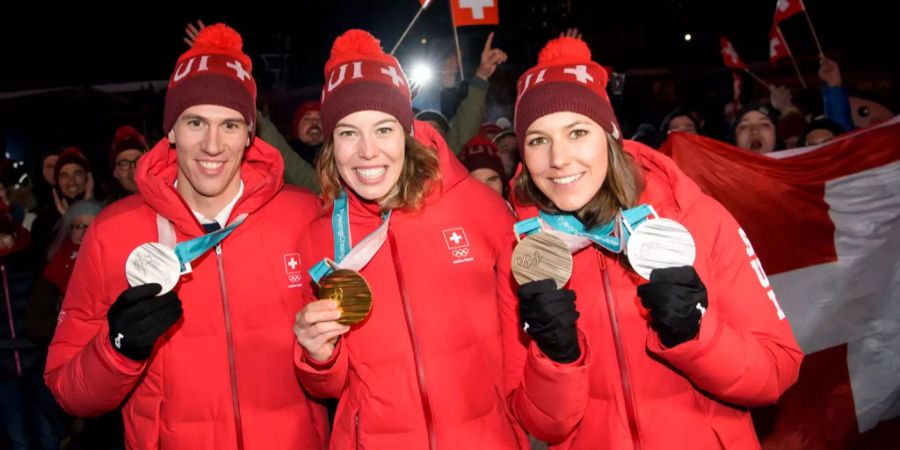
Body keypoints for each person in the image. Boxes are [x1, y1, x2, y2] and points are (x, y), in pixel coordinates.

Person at [292, 29, 587, 449]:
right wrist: (318, 358)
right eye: (347, 133)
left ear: (407, 132)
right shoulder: (319, 236)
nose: (368, 152)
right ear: (330, 144)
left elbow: (518, 351)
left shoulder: (477, 206)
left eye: (383, 129)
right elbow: (332, 386)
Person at [511, 36, 803, 448]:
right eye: (538, 139)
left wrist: (696, 335)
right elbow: (542, 426)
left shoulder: (697, 217)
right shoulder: (524, 256)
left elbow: (778, 372)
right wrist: (557, 359)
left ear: (611, 137)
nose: (558, 158)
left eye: (577, 132)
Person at [45, 23, 327, 449]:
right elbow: (68, 391)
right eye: (195, 122)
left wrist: (324, 356)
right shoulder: (113, 231)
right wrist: (118, 350)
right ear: (171, 130)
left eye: (231, 125)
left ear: (250, 134)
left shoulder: (303, 214)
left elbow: (349, 367)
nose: (213, 145)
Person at [106, 126, 149, 203]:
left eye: (138, 161)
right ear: (115, 172)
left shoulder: (168, 198)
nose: (133, 170)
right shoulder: (110, 210)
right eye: (124, 163)